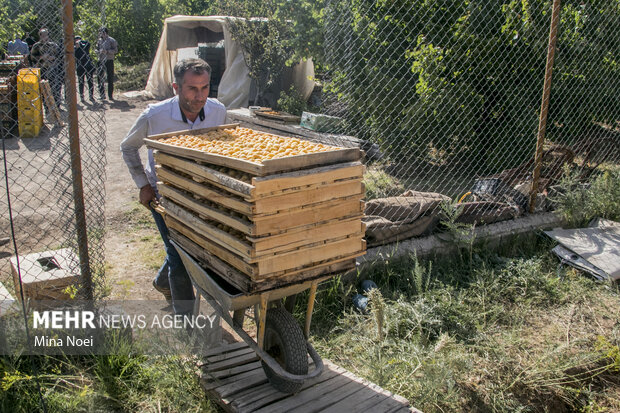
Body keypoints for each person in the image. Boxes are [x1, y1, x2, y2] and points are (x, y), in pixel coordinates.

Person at [120, 58, 226, 315]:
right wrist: (143, 185)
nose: (200, 96)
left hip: (200, 192)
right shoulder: (154, 116)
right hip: (164, 194)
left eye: (204, 88)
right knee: (178, 252)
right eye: (192, 88)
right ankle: (186, 320)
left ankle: (161, 282)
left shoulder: (218, 111)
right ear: (176, 88)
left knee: (194, 248)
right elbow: (128, 147)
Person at [30, 28, 62, 108]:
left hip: (53, 69)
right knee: (43, 89)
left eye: (46, 34)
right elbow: (32, 57)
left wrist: (53, 57)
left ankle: (57, 106)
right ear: (40, 36)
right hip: (42, 69)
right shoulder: (36, 46)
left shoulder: (53, 45)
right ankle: (46, 106)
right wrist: (41, 57)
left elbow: (60, 56)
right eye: (42, 35)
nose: (44, 36)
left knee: (55, 88)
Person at [96, 27, 118, 101]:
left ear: (105, 33)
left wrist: (107, 51)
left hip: (109, 60)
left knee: (110, 78)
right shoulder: (99, 41)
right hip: (101, 60)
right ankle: (102, 95)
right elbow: (96, 49)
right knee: (99, 77)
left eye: (101, 33)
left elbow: (115, 50)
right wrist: (99, 51)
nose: (100, 34)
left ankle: (110, 95)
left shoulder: (112, 40)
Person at [74, 35, 95, 102]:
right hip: (80, 67)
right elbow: (75, 55)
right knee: (81, 82)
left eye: (78, 39)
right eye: (76, 40)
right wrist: (77, 47)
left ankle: (91, 96)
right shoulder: (74, 48)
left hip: (88, 66)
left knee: (90, 81)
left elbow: (88, 44)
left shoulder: (85, 45)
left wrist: (80, 43)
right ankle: (81, 96)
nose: (77, 41)